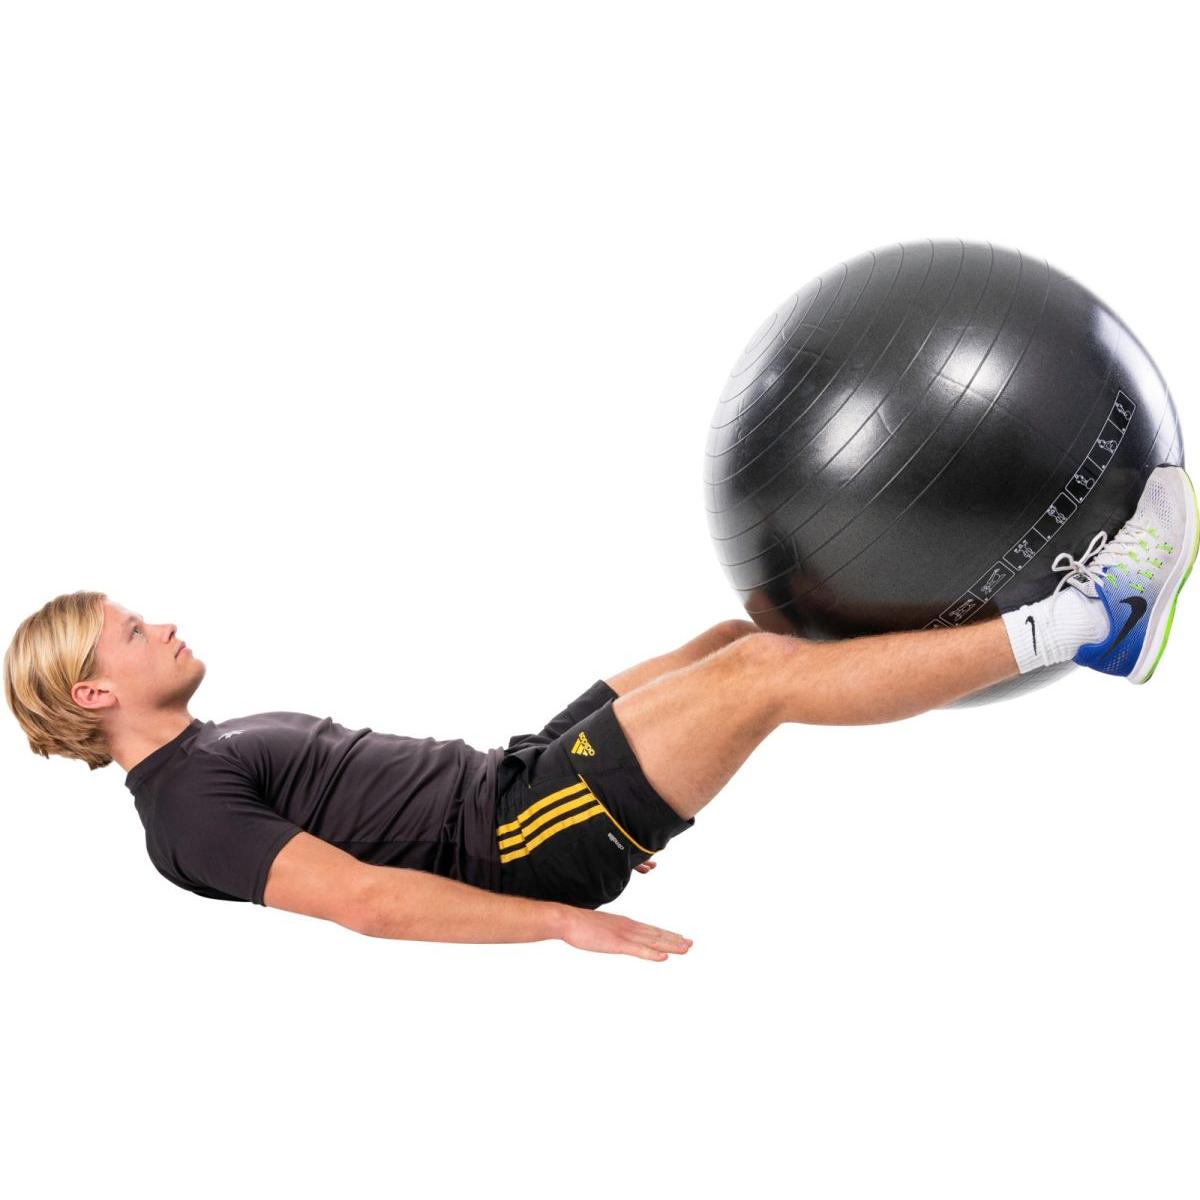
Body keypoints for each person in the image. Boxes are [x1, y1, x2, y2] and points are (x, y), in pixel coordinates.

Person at [5, 467, 1197, 963]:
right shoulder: (186, 813)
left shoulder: (207, 754)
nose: (161, 625)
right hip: (522, 832)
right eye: (132, 632)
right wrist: (558, 921)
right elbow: (367, 901)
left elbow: (398, 809)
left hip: (515, 774)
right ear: (94, 694)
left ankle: (965, 637)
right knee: (763, 679)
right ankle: (1094, 620)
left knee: (733, 638)